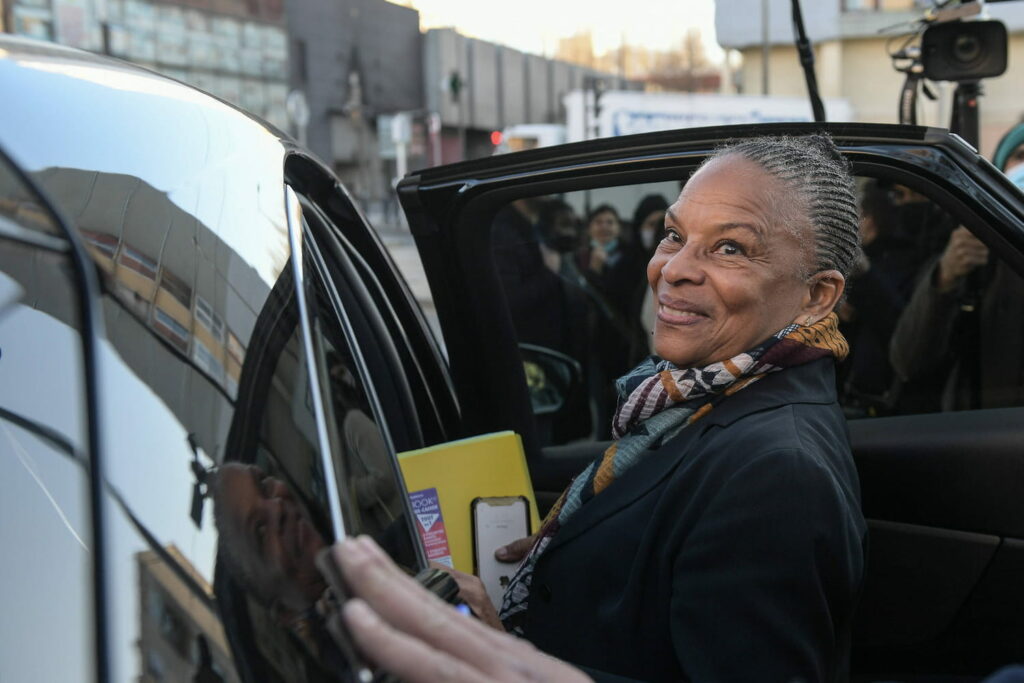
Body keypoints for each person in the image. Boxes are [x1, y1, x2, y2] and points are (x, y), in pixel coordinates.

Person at [324, 134, 868, 682]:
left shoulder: (776, 474)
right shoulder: (698, 399)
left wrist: (502, 655)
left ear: (818, 295)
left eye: (730, 248)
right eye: (674, 235)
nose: (673, 270)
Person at [889, 120, 1024, 410]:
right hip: (983, 432)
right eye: (1022, 156)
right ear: (1000, 171)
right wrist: (945, 279)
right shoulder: (975, 247)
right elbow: (907, 361)